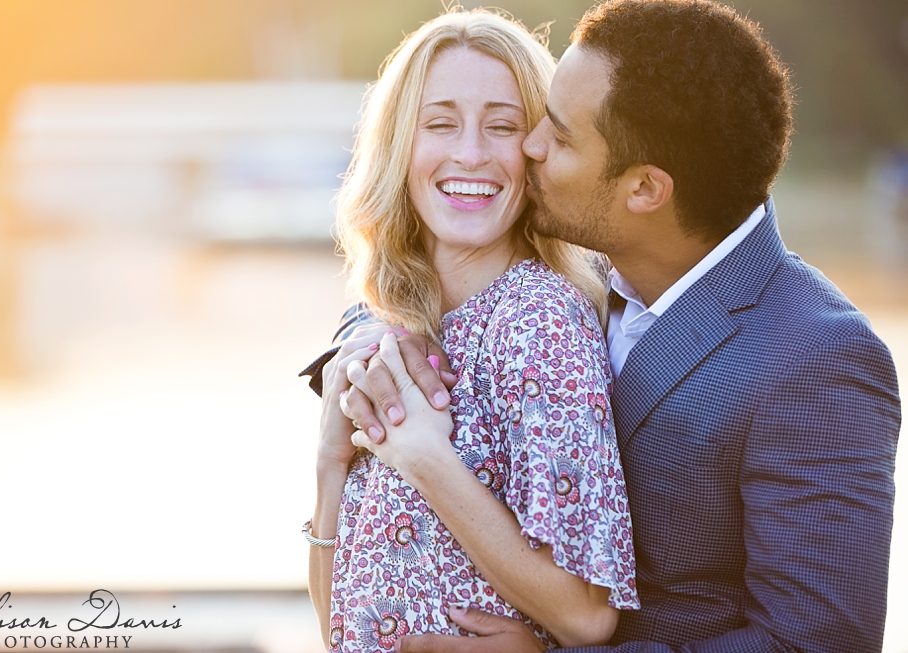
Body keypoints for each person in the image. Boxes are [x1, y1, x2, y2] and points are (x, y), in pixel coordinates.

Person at [331, 1, 902, 652]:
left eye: (560, 134)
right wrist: (361, 347)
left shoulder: (815, 358)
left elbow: (816, 644)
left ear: (644, 190)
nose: (530, 145)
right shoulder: (589, 275)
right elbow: (442, 278)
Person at [304, 9, 640, 653]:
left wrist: (427, 457)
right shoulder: (393, 328)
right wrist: (330, 462)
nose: (471, 153)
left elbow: (587, 616)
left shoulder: (538, 321)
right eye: (440, 123)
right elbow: (340, 627)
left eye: (502, 126)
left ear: (537, 148)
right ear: (400, 144)